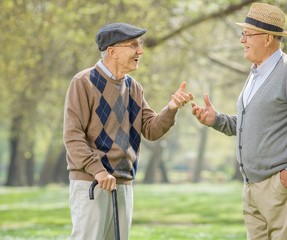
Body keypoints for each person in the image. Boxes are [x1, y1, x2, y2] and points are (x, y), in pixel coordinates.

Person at [191, 3, 287, 240]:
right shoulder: (254, 74)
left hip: (280, 185)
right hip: (252, 189)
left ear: (268, 38)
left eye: (247, 34)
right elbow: (246, 125)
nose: (242, 40)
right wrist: (216, 120)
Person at [63, 22, 193, 240]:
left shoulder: (134, 87)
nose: (140, 51)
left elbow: (151, 129)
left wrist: (171, 108)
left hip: (123, 183)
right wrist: (98, 171)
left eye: (140, 44)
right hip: (92, 182)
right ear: (113, 51)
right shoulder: (83, 82)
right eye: (134, 45)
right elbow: (73, 137)